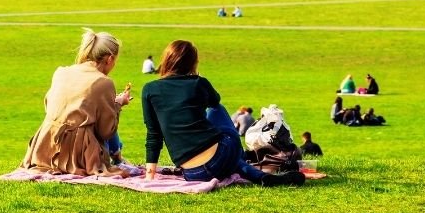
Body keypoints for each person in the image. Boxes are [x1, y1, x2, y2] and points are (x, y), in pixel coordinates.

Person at [140, 40, 304, 187]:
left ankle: (260, 176)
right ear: (192, 63)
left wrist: (150, 176)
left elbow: (154, 134)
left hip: (193, 173)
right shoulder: (198, 83)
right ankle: (259, 174)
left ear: (167, 60)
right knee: (217, 109)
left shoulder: (149, 89)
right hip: (220, 158)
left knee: (227, 156)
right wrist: (197, 78)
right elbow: (215, 101)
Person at [20, 29, 133, 176]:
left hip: (45, 147)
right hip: (78, 154)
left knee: (102, 112)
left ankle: (117, 156)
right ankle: (117, 157)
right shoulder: (104, 82)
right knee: (107, 115)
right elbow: (106, 131)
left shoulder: (61, 71)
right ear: (110, 59)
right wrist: (117, 104)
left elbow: (50, 106)